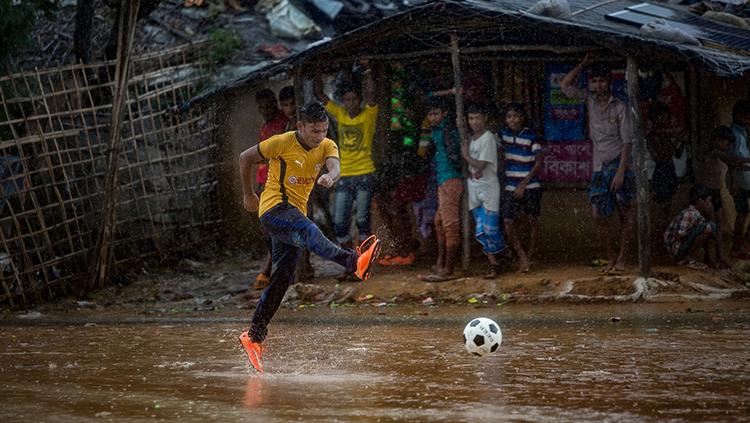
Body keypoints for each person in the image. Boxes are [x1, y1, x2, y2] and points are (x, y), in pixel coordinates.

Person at [238, 102, 381, 373]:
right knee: (309, 231)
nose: (320, 137)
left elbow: (336, 166)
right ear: (300, 127)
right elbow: (245, 157)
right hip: (273, 209)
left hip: (294, 212)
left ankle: (254, 335)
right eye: (314, 131)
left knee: (283, 278)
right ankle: (353, 262)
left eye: (324, 130)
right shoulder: (280, 142)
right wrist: (248, 194)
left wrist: (331, 176)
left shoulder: (326, 145)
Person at [561, 52, 635, 275]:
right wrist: (584, 63)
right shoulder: (589, 100)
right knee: (597, 214)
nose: (598, 85)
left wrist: (621, 172)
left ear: (609, 83)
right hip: (598, 167)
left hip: (617, 165)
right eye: (594, 81)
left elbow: (627, 142)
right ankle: (611, 258)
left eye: (602, 80)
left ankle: (621, 259)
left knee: (625, 213)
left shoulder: (620, 107)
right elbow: (565, 85)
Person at [314, 63, 378, 259]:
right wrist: (317, 69)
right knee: (340, 222)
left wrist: (367, 71)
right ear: (343, 101)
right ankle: (350, 260)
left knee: (362, 220)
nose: (351, 103)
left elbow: (370, 94)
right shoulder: (340, 114)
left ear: (359, 100)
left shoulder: (369, 115)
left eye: (354, 99)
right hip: (345, 174)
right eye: (347, 100)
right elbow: (320, 95)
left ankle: (363, 263)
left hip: (365, 172)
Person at [418, 96, 464, 282]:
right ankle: (442, 261)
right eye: (430, 114)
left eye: (436, 114)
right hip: (443, 179)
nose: (433, 117)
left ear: (444, 114)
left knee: (449, 225)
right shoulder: (436, 131)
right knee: (439, 222)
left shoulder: (446, 131)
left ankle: (448, 269)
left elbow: (454, 157)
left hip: (450, 179)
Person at [461, 103, 507, 279]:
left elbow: (480, 164)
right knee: (481, 228)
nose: (474, 122)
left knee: (489, 228)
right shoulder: (471, 139)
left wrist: (465, 155)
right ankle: (494, 262)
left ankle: (498, 258)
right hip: (474, 188)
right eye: (471, 118)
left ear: (485, 118)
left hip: (488, 188)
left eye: (477, 118)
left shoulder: (488, 138)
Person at [500, 103, 543, 273]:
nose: (513, 120)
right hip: (511, 186)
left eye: (516, 116)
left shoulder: (532, 136)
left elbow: (538, 163)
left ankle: (530, 254)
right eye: (509, 116)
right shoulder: (503, 136)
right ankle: (521, 255)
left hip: (530, 185)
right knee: (508, 221)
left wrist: (523, 184)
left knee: (532, 221)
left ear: (522, 118)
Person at [253, 89, 290, 290]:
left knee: (275, 229)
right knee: (267, 229)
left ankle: (270, 269)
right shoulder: (266, 126)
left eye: (268, 106)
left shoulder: (284, 123)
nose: (265, 110)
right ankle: (273, 266)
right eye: (261, 107)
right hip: (264, 182)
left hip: (277, 183)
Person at [647, 101, 683, 243]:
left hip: (669, 172)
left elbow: (677, 153)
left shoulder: (664, 136)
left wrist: (682, 141)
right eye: (662, 117)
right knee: (662, 208)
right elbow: (658, 157)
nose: (664, 120)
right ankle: (659, 237)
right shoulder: (652, 137)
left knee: (666, 207)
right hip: (661, 173)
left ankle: (662, 236)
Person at [664, 185, 722, 270]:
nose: (710, 205)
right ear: (700, 201)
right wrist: (693, 234)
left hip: (681, 246)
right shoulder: (690, 213)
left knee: (710, 228)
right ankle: (685, 260)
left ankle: (695, 259)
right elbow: (679, 235)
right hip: (676, 249)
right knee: (709, 227)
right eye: (708, 201)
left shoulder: (698, 214)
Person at [700, 126, 734, 268]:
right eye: (725, 143)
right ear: (718, 140)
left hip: (716, 192)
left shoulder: (718, 153)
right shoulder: (712, 153)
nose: (727, 146)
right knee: (711, 227)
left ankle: (720, 256)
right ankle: (710, 257)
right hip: (707, 193)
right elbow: (733, 160)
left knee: (719, 226)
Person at [724, 100, 750, 259]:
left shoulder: (743, 131)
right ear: (740, 116)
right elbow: (731, 160)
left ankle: (743, 244)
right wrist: (733, 181)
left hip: (745, 178)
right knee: (742, 212)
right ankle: (738, 246)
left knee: (744, 212)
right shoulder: (732, 133)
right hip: (739, 180)